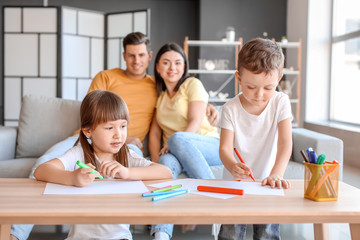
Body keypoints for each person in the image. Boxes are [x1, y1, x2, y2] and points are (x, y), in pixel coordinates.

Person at [10, 32, 219, 240]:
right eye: (131, 55)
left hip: (125, 147)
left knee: (138, 161)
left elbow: (181, 102)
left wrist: (206, 105)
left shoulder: (157, 88)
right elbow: (92, 112)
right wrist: (72, 177)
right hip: (88, 140)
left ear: (149, 57)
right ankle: (15, 235)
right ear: (124, 56)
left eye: (141, 55)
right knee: (43, 163)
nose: (136, 61)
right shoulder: (108, 78)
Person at [33, 90, 173, 240]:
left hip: (120, 237)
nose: (118, 134)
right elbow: (41, 171)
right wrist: (72, 178)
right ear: (88, 130)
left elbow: (166, 172)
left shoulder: (126, 155)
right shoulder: (78, 153)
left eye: (123, 126)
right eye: (109, 128)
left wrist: (127, 173)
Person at [217, 38, 293, 240]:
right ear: (239, 78)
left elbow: (285, 143)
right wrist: (233, 165)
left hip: (269, 183)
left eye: (268, 88)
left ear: (279, 79)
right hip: (235, 184)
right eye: (251, 87)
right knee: (230, 235)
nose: (259, 95)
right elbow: (225, 149)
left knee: (267, 234)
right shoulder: (230, 108)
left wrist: (276, 174)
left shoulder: (281, 102)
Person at [149, 42, 222, 180]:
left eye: (177, 63)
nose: (172, 67)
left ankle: (212, 189)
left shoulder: (193, 84)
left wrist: (173, 142)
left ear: (184, 67)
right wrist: (154, 161)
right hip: (175, 150)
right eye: (166, 63)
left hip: (208, 144)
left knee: (176, 138)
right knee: (164, 162)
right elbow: (155, 133)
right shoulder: (161, 98)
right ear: (158, 67)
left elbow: (195, 121)